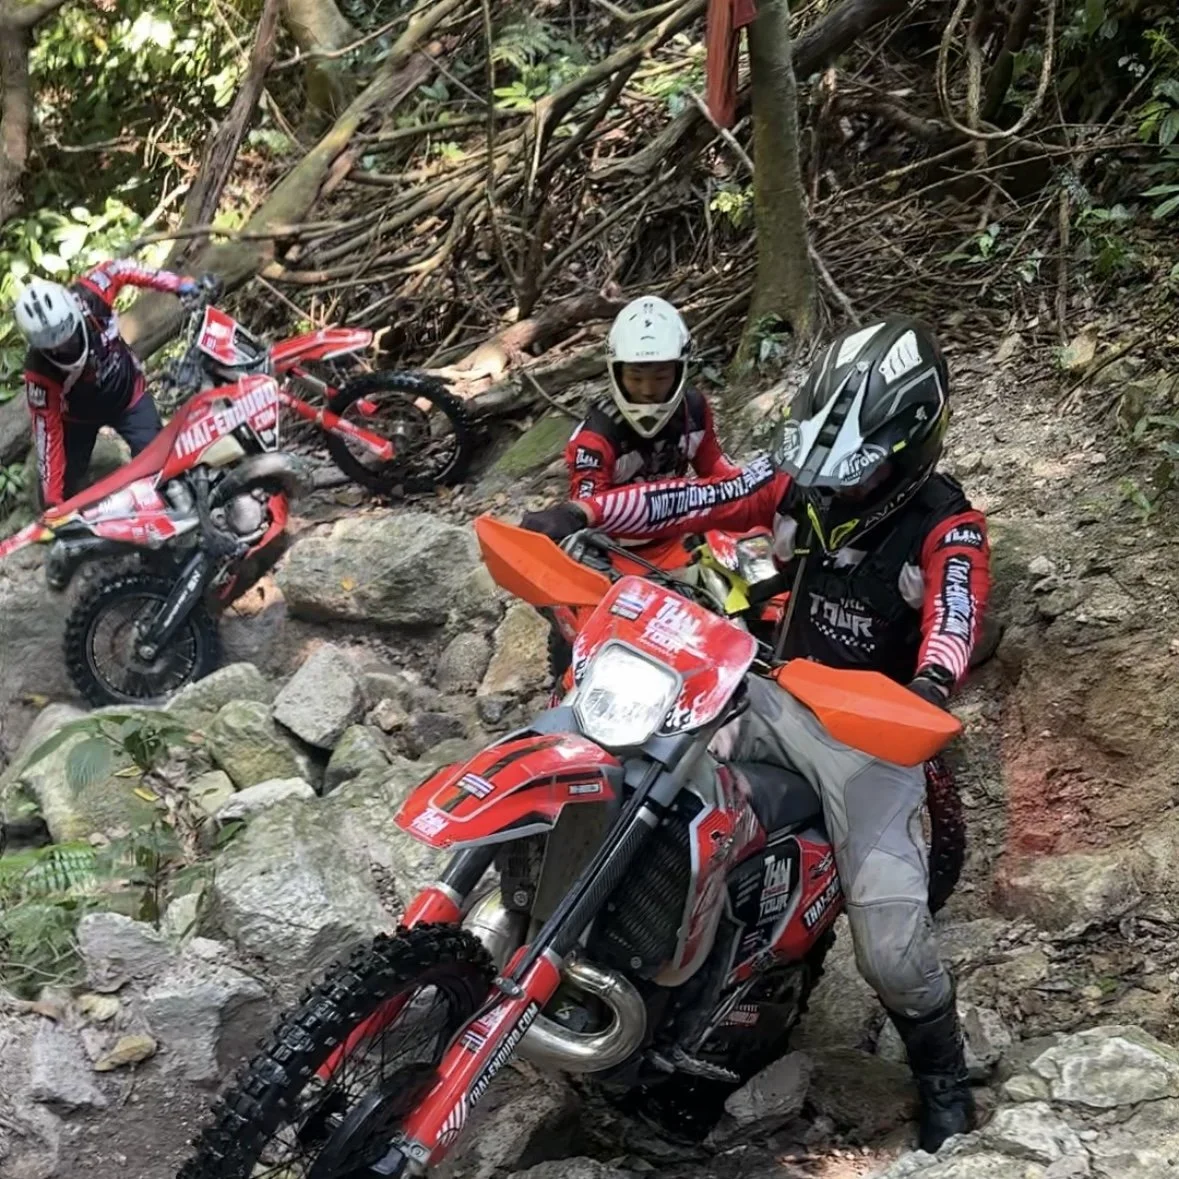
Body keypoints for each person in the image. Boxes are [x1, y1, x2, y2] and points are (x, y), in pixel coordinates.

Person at [523, 315, 991, 1154]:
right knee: (639, 783)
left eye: (858, 473)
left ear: (911, 445)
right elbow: (689, 497)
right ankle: (603, 958)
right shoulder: (797, 480)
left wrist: (927, 685)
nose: (834, 490)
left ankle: (941, 1074)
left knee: (888, 948)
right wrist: (582, 511)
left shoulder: (944, 525)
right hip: (764, 690)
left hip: (870, 733)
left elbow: (955, 616)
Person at [15, 260, 201, 508]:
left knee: (162, 463)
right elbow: (47, 432)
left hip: (128, 397)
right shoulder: (40, 371)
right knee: (61, 495)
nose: (62, 345)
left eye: (65, 333)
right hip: (77, 419)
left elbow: (123, 269)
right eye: (50, 343)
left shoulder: (91, 294)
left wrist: (178, 284)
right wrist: (53, 502)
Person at [564, 295, 740, 501]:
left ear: (679, 371)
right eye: (636, 377)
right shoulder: (595, 439)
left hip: (679, 520)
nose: (648, 389)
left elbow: (717, 470)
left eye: (660, 376)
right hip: (619, 529)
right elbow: (586, 512)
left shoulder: (693, 410)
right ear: (617, 373)